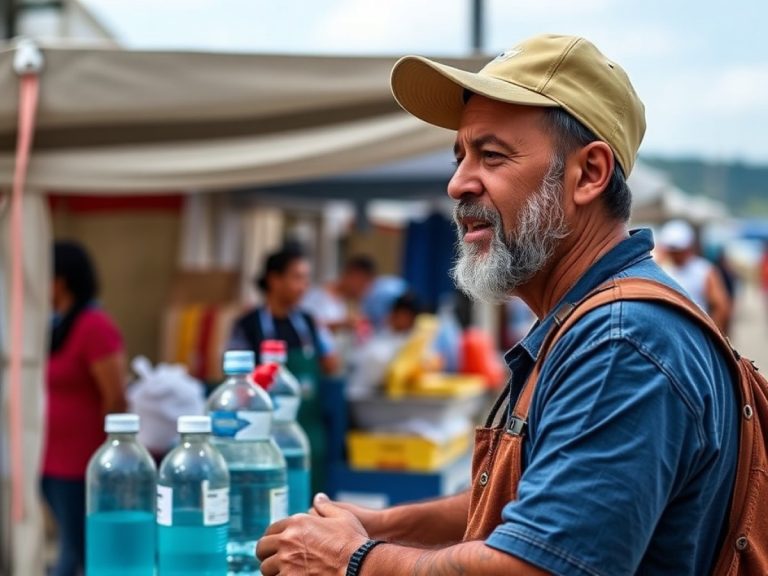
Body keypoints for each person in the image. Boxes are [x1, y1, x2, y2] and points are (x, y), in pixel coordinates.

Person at [257, 34, 738, 576]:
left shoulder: (620, 341)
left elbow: (542, 567)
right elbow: (540, 497)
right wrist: (379, 525)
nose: (458, 183)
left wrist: (352, 559)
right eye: (460, 156)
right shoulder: (589, 322)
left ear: (590, 174)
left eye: (491, 155)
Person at [42, 241, 127, 576]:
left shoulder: (94, 326)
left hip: (81, 461)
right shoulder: (54, 324)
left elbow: (115, 397)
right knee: (68, 540)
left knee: (76, 550)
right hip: (49, 458)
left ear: (60, 280)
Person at [229, 245, 339, 494]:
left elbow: (332, 365)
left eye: (306, 279)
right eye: (297, 278)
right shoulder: (247, 325)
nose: (303, 286)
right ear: (274, 280)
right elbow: (232, 379)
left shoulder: (310, 322)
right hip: (264, 430)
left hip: (309, 428)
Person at [657, 219, 732, 333]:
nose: (675, 254)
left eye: (678, 250)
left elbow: (721, 306)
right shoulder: (661, 268)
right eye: (673, 250)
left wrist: (712, 334)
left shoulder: (704, 270)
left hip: (695, 331)